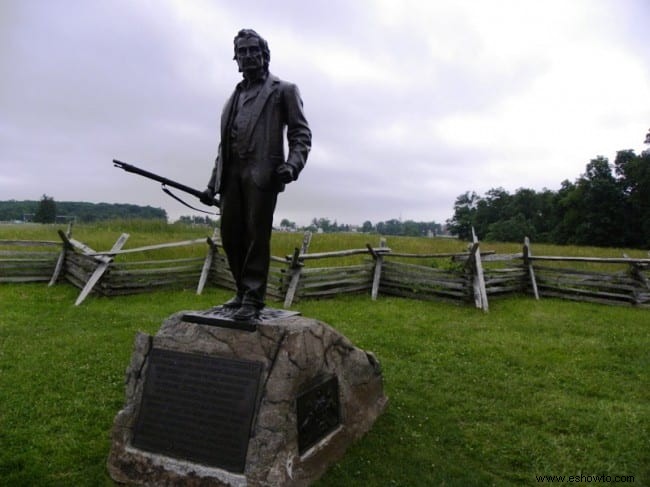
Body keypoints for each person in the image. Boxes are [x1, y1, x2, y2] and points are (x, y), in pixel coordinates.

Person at [201, 29, 311, 321]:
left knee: (255, 236)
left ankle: (254, 297)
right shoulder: (233, 98)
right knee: (230, 235)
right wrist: (213, 184)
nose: (248, 56)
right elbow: (224, 146)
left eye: (253, 50)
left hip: (262, 175)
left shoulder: (283, 90)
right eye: (242, 51)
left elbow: (301, 133)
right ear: (235, 58)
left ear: (265, 55)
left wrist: (292, 164)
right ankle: (242, 291)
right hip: (232, 176)